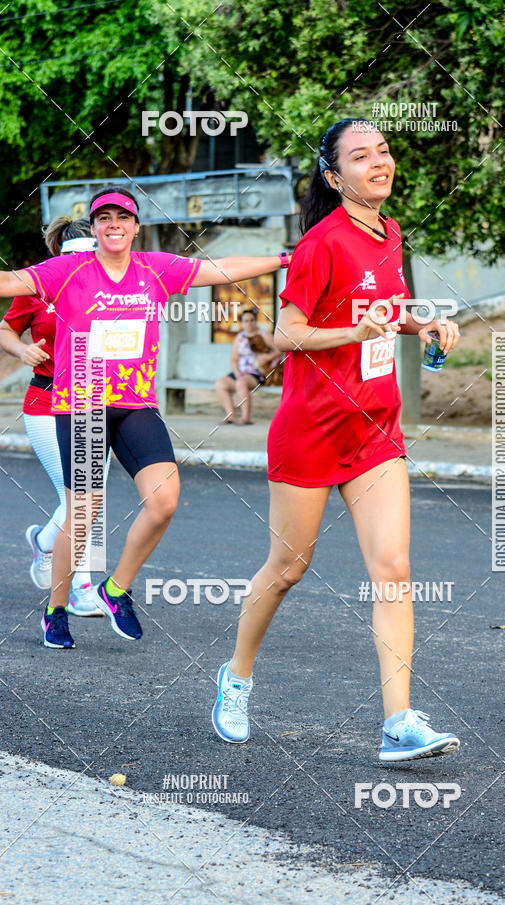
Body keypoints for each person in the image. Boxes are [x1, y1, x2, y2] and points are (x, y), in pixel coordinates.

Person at [212, 119, 462, 763]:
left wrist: (424, 324)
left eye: (383, 151)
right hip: (312, 430)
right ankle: (235, 678)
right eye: (360, 156)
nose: (379, 162)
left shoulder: (389, 233)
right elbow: (285, 333)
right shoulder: (321, 244)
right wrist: (353, 334)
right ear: (334, 176)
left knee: (394, 571)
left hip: (375, 428)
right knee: (288, 568)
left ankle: (398, 721)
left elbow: (386, 311)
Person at [0, 186, 290, 649]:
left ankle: (115, 590)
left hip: (135, 404)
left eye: (123, 218)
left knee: (165, 500)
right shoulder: (68, 269)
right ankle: (55, 611)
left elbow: (220, 269)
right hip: (82, 403)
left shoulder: (155, 267)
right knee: (83, 512)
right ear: (95, 228)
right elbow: (9, 282)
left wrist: (283, 259)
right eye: (104, 218)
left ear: (136, 227)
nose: (113, 225)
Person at [0, 216, 108, 619]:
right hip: (46, 401)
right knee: (80, 498)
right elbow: (6, 329)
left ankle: (45, 543)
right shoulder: (39, 284)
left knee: (90, 497)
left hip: (97, 401)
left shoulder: (113, 288)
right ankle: (81, 588)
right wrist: (22, 350)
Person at [215, 308, 279, 424]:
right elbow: (234, 358)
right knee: (220, 384)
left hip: (258, 372)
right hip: (241, 371)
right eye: (246, 321)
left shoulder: (264, 335)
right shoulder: (240, 337)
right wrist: (236, 372)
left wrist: (268, 357)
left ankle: (246, 418)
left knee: (241, 383)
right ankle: (231, 416)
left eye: (251, 320)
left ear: (256, 321)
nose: (249, 323)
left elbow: (280, 350)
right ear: (242, 323)